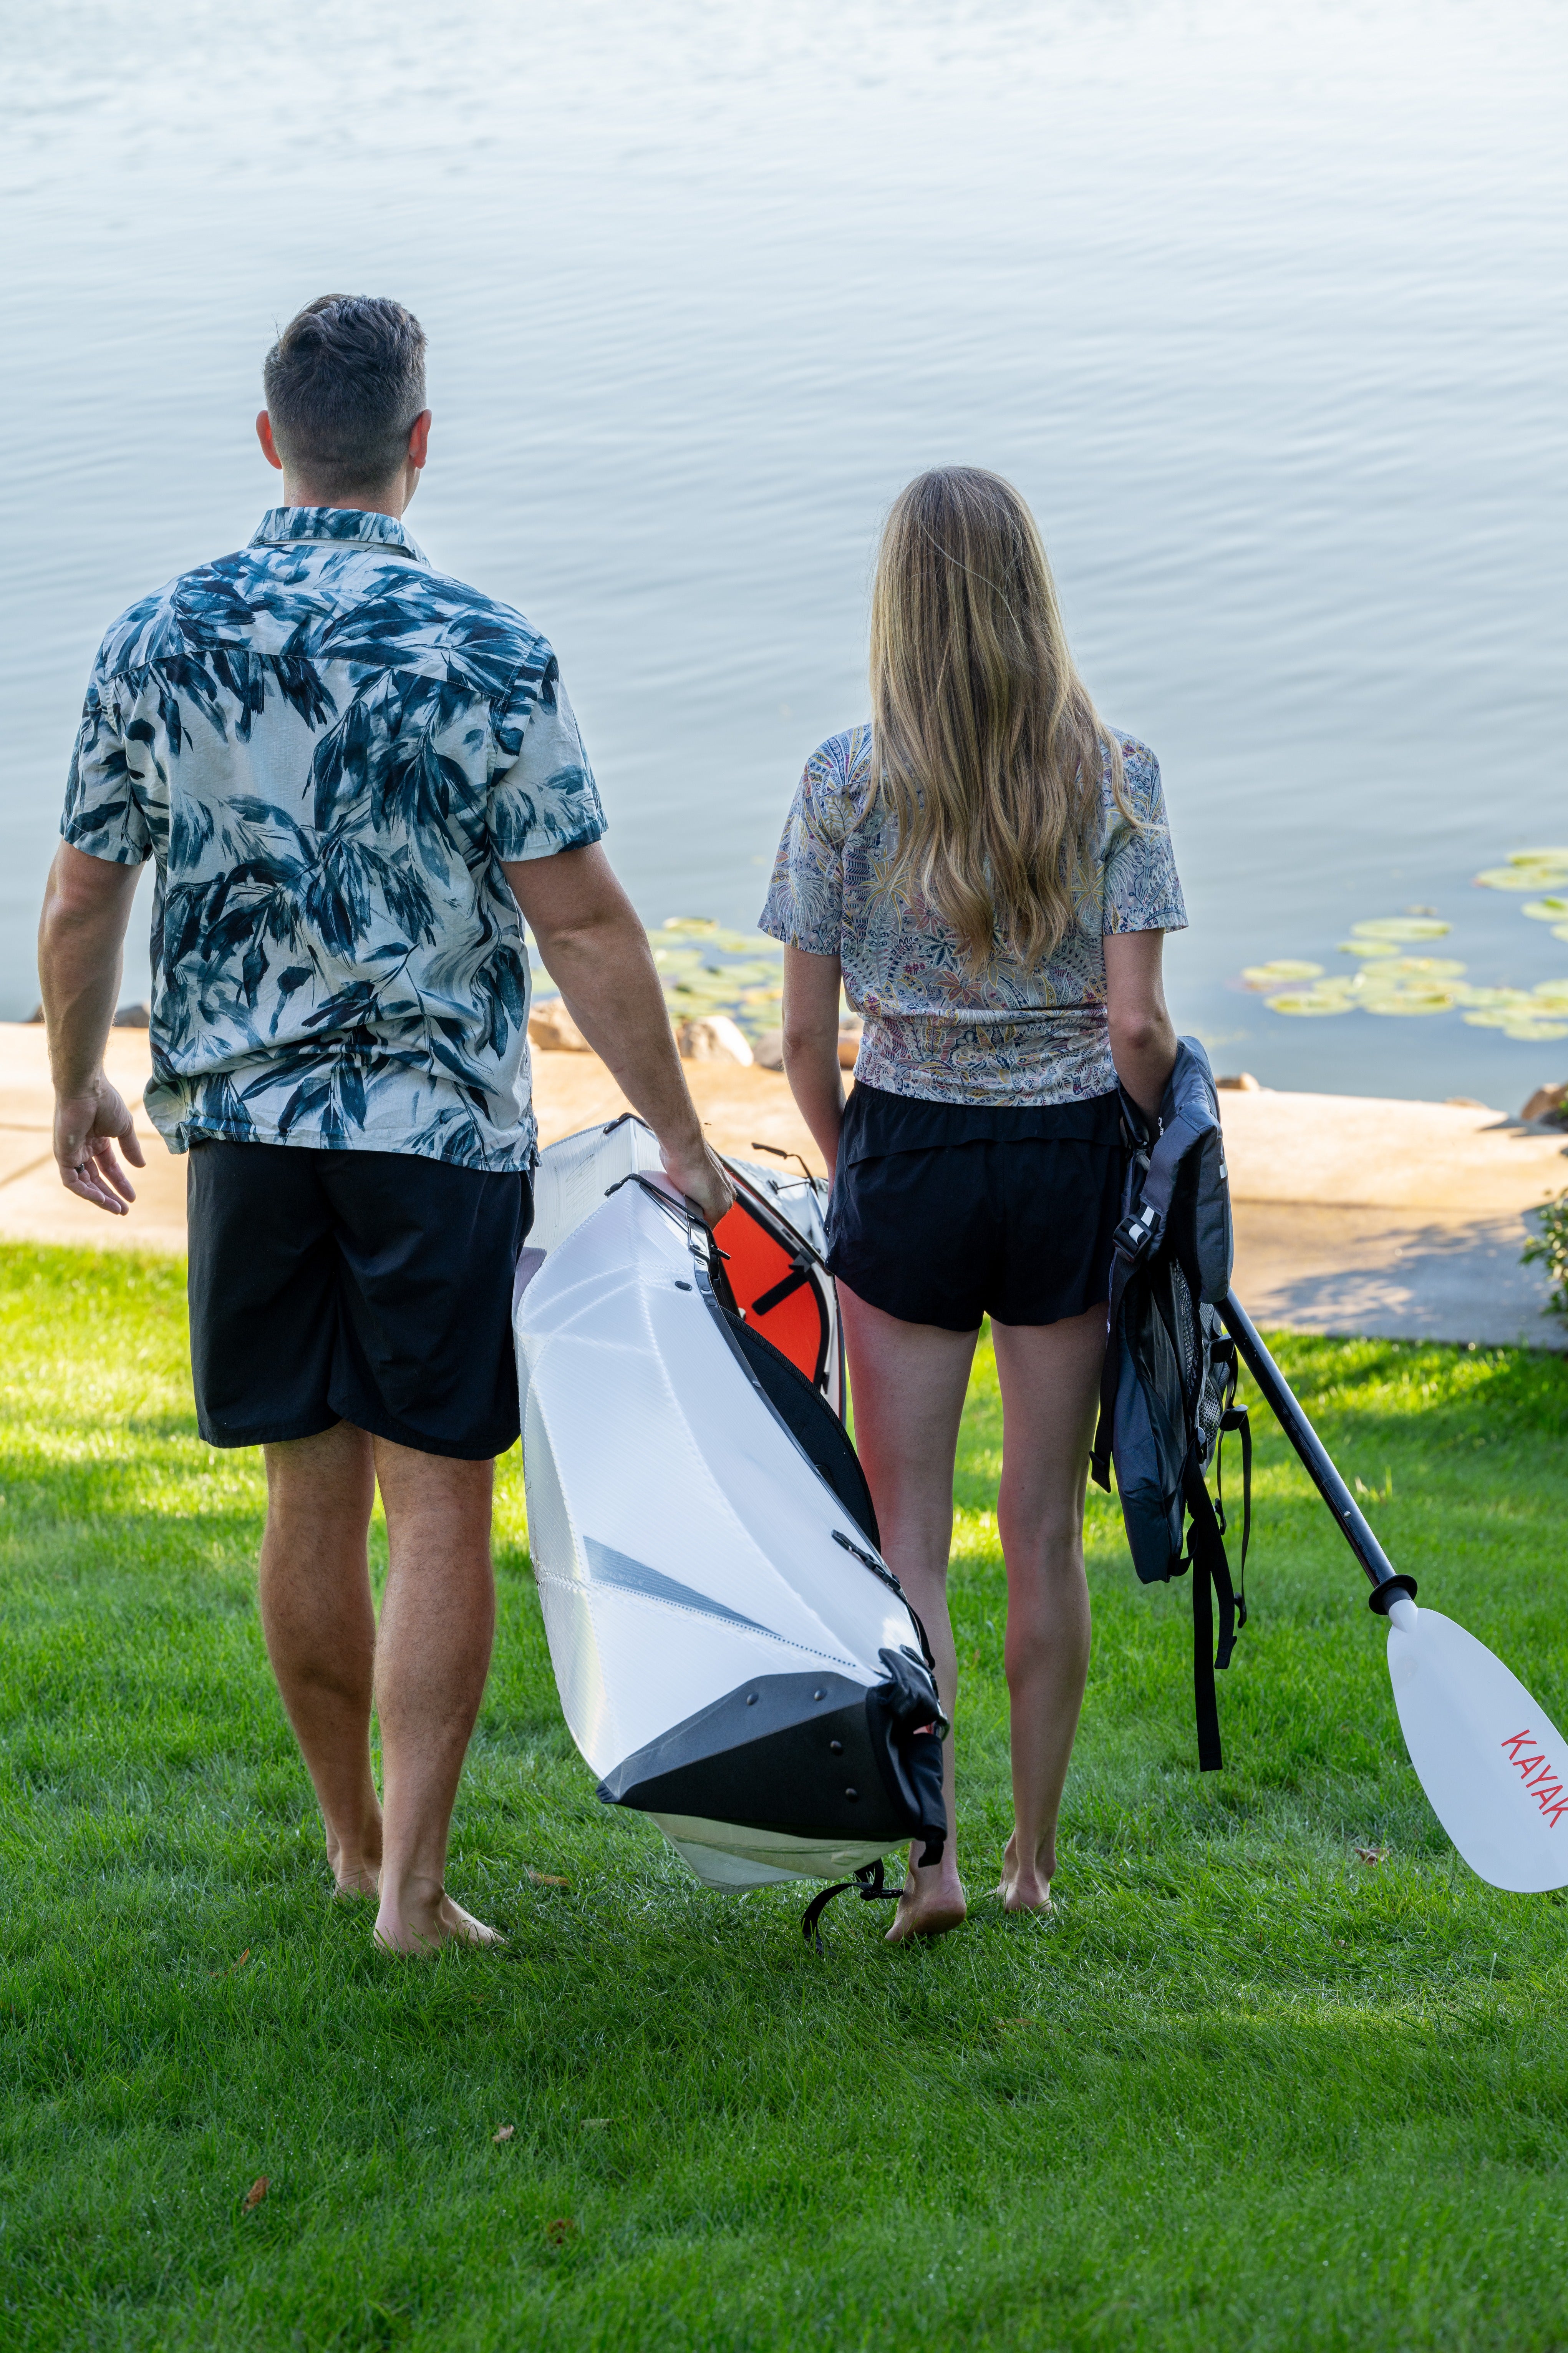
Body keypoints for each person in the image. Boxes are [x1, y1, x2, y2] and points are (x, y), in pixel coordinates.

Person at [36, 294, 731, 1955]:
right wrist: (681, 1136)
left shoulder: (157, 637)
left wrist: (74, 1080)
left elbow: (81, 898)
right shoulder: (485, 647)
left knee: (306, 1490)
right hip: (434, 1133)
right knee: (435, 1501)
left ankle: (349, 1843)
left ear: (270, 440)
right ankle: (412, 1890)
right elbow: (584, 923)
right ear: (419, 443)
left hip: (250, 1127)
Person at [760, 466, 1183, 1940]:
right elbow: (1139, 1029)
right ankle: (1032, 1864)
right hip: (1068, 1157)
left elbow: (801, 1039)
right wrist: (1151, 1146)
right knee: (1041, 1528)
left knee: (910, 1537)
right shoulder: (1116, 775)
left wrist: (855, 1161)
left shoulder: (842, 779)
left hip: (906, 1157)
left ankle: (930, 1861)